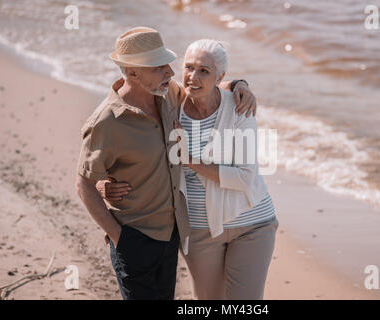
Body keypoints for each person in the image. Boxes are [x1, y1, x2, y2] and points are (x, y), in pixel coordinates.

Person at [76, 27, 256, 300]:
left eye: (169, 65)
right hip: (134, 238)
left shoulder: (168, 97)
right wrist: (118, 237)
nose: (171, 73)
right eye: (160, 67)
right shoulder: (106, 122)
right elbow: (84, 184)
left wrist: (238, 84)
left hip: (172, 236)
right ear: (133, 72)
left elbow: (205, 85)